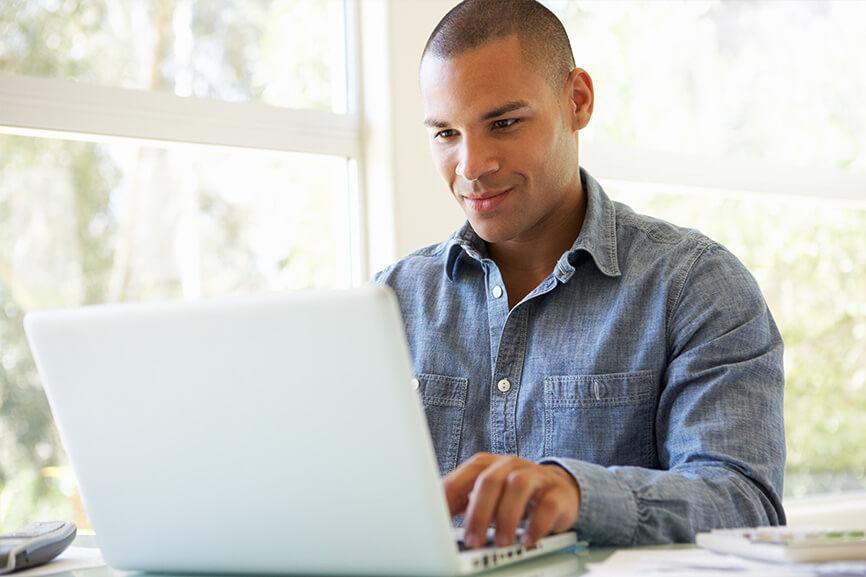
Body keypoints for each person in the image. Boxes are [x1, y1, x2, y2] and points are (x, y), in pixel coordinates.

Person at [373, 0, 785, 549]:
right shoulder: (389, 302)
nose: (471, 166)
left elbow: (744, 502)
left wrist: (579, 493)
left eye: (503, 123)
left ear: (578, 100)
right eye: (446, 133)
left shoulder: (695, 286)